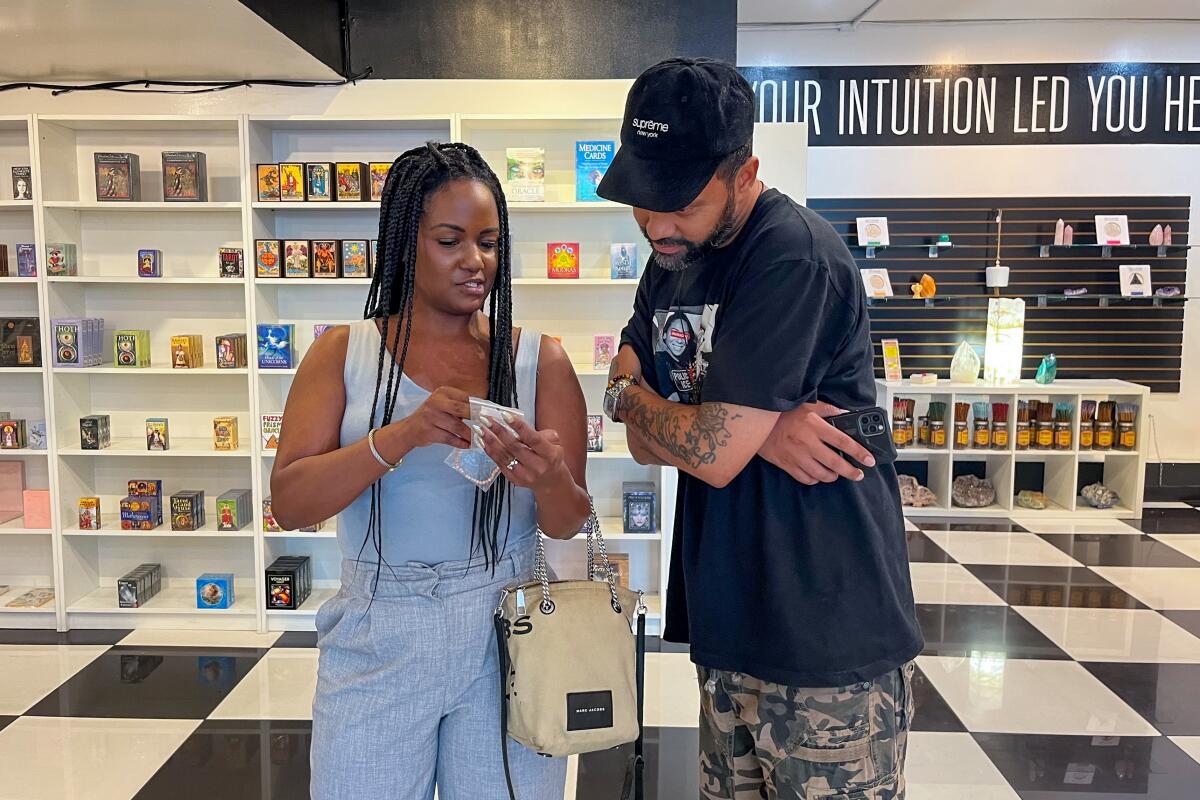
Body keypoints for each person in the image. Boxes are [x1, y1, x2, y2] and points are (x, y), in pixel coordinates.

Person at [598, 58, 923, 799]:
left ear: (744, 173)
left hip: (826, 634)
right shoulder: (670, 260)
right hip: (730, 622)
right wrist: (752, 430)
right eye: (641, 201)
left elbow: (706, 455)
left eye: (677, 200)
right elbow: (641, 433)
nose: (656, 222)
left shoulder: (790, 254)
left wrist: (654, 406)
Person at [270, 142, 591, 800]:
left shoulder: (539, 361)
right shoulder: (342, 355)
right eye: (451, 240)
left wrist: (549, 478)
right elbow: (291, 504)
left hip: (509, 629)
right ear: (404, 243)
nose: (477, 262)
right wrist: (400, 437)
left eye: (489, 242)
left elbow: (570, 525)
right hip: (378, 626)